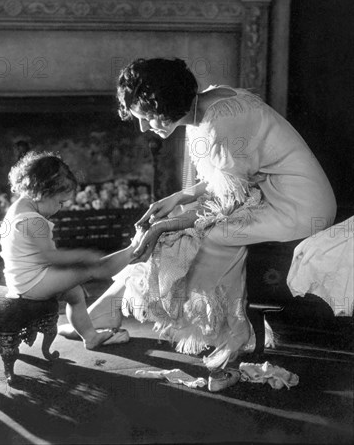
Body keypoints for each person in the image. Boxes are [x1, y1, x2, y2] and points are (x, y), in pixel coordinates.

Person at [59, 58, 337, 369]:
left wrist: (165, 225)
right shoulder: (208, 102)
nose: (142, 127)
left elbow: (226, 202)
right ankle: (106, 309)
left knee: (201, 235)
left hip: (297, 206)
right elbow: (228, 177)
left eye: (147, 117)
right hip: (269, 192)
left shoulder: (218, 126)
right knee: (177, 223)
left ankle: (234, 332)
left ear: (165, 107)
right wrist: (178, 197)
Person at [0, 150, 140, 350]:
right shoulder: (34, 221)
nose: (59, 209)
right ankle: (133, 252)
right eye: (59, 202)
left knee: (74, 292)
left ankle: (89, 336)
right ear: (42, 192)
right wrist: (84, 256)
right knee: (90, 270)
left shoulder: (18, 209)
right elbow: (51, 257)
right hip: (31, 282)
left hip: (23, 278)